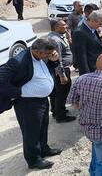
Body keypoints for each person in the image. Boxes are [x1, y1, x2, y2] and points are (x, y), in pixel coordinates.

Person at [0, 38, 62, 169]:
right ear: (38, 52)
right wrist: (18, 93)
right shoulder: (18, 61)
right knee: (31, 132)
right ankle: (33, 160)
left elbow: (46, 70)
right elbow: (1, 80)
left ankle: (43, 149)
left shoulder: (41, 57)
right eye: (47, 54)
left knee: (42, 127)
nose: (49, 56)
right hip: (27, 103)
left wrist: (54, 61)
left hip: (42, 100)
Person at [48, 20, 76, 123]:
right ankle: (61, 116)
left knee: (57, 92)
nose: (66, 26)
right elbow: (57, 59)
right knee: (62, 93)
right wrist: (62, 75)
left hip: (60, 69)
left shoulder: (55, 36)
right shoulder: (55, 40)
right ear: (56, 27)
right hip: (62, 69)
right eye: (64, 25)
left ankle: (56, 111)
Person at [73, 10, 102, 75]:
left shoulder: (94, 29)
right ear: (92, 21)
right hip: (91, 70)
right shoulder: (80, 32)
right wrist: (86, 75)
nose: (101, 26)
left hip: (99, 67)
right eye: (100, 24)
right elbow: (81, 56)